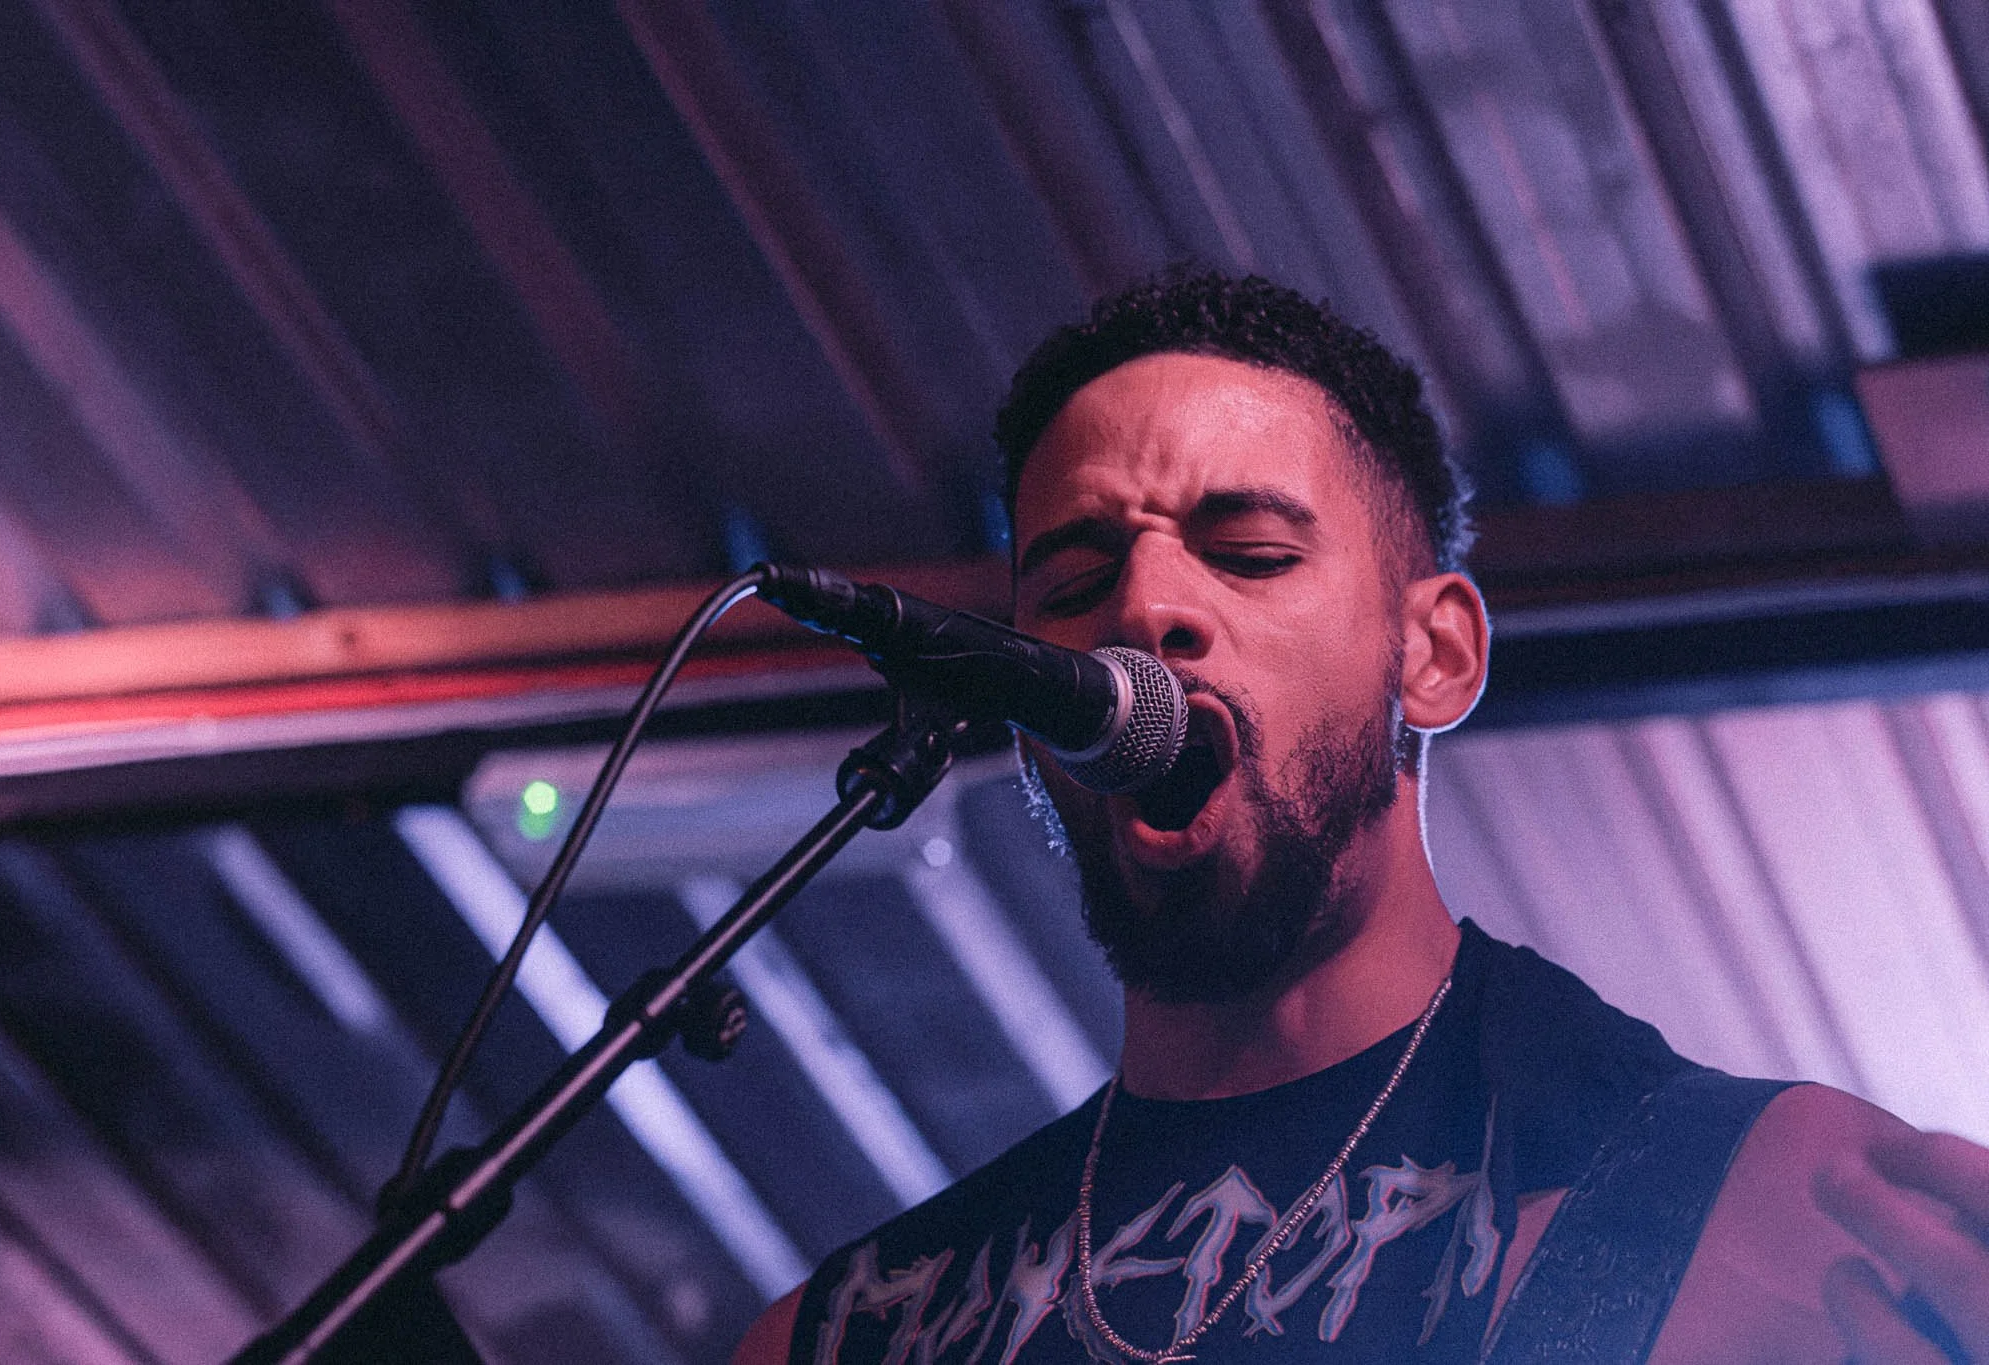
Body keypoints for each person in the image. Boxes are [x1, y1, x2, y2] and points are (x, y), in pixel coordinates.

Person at [735, 271, 1989, 1363]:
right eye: (1072, 581)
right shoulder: (851, 1333)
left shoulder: (1777, 1217)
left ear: (1430, 651)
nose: (1144, 610)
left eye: (1251, 553)